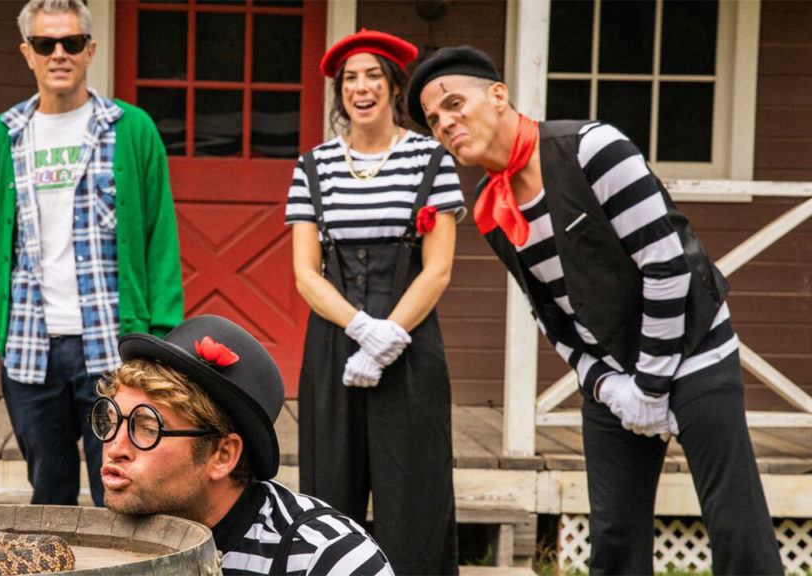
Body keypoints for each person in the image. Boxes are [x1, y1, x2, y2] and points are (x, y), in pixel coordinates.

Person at [410, 45, 783, 575]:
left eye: (453, 104)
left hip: (694, 348)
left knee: (736, 527)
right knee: (613, 537)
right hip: (614, 375)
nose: (445, 123)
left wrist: (650, 384)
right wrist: (607, 385)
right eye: (433, 120)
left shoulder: (592, 149)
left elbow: (666, 267)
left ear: (498, 95)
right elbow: (552, 315)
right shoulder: (492, 209)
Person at [0, 0, 183, 507]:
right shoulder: (0, 137)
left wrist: (162, 345)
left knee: (121, 490)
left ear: (90, 50)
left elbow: (160, 241)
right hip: (28, 348)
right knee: (49, 491)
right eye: (45, 44)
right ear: (28, 54)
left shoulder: (132, 130)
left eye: (71, 42)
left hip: (114, 347)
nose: (59, 53)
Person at [285, 29, 464, 574]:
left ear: (394, 87)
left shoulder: (431, 159)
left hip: (410, 342)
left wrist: (389, 336)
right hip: (335, 342)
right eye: (350, 79)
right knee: (330, 490)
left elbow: (438, 268)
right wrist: (362, 328)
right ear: (340, 91)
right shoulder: (312, 166)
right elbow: (305, 272)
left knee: (414, 489)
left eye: (373, 76)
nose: (360, 88)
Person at [95, 314, 394, 575]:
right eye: (111, 422)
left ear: (223, 455)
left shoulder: (327, 558)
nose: (115, 448)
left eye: (148, 430)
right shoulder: (101, 543)